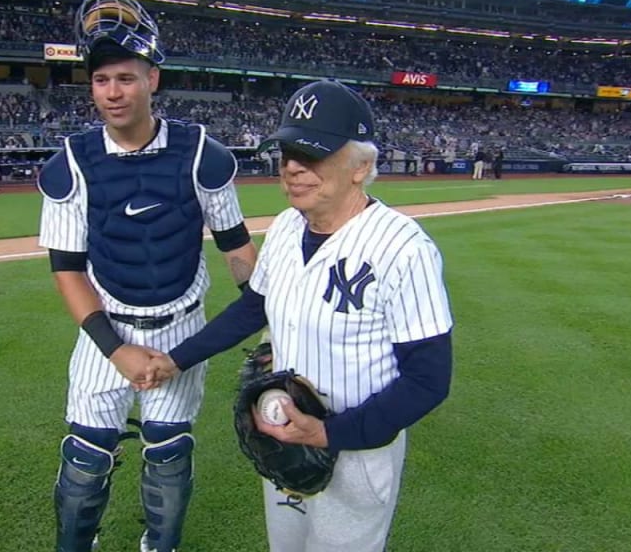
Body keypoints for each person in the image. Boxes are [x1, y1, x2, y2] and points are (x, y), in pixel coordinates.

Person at [144, 80, 454, 552]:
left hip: (357, 448)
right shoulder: (289, 226)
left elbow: (429, 381)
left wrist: (329, 432)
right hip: (286, 430)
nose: (291, 167)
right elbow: (255, 306)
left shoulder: (404, 249)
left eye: (312, 155)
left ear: (361, 167)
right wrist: (176, 359)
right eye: (287, 151)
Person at [37, 0, 258, 552]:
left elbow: (236, 248)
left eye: (126, 78)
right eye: (102, 80)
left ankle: (160, 546)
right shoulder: (71, 163)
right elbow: (67, 271)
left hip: (181, 322)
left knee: (169, 454)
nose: (113, 92)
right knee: (84, 461)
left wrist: (269, 312)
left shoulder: (201, 152)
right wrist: (117, 349)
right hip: (105, 329)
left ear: (152, 80)